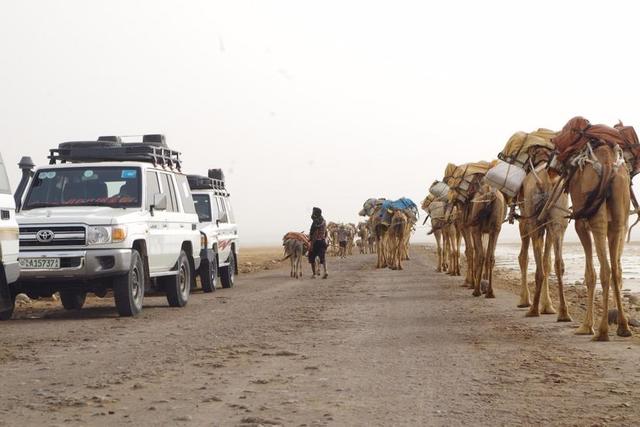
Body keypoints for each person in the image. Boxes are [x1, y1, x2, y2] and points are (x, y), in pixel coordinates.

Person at [308, 207, 328, 279]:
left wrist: (311, 245)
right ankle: (325, 271)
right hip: (322, 241)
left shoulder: (315, 223)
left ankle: (314, 274)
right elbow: (326, 232)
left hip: (316, 242)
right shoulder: (324, 221)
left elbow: (315, 234)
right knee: (323, 257)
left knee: (311, 257)